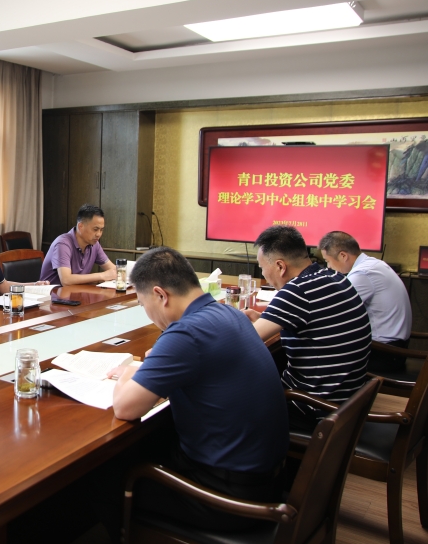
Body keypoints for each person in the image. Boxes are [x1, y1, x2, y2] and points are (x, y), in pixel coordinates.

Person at [99, 247, 289, 538]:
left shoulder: (186, 333)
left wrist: (129, 369)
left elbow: (125, 407)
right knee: (150, 442)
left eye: (143, 304)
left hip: (227, 497)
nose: (148, 314)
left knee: (100, 480)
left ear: (160, 295)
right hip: (268, 476)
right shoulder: (230, 313)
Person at [243, 225, 371, 432]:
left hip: (314, 409)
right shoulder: (335, 277)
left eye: (262, 268)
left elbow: (243, 343)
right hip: (349, 400)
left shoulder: (297, 291)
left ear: (280, 266)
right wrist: (262, 319)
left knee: (230, 395)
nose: (264, 274)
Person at [319, 230, 412, 372]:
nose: (328, 267)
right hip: (394, 348)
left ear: (343, 256)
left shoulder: (363, 273)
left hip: (384, 353)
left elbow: (333, 310)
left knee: (316, 354)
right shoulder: (374, 264)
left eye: (327, 261)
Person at [40, 204, 117, 285]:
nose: (99, 234)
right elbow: (66, 280)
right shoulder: (62, 244)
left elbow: (114, 270)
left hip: (77, 291)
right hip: (53, 292)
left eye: (101, 230)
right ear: (80, 226)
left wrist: (119, 273)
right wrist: (102, 276)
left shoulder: (95, 244)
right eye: (95, 229)